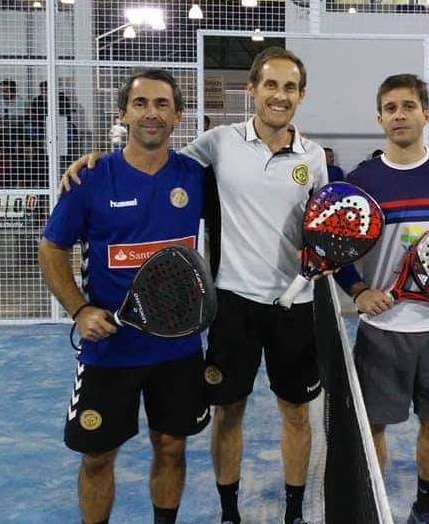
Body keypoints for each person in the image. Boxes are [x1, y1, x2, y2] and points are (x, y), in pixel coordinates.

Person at [61, 47, 327, 524]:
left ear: (302, 95)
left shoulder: (313, 157)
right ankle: (229, 514)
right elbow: (152, 157)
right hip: (228, 307)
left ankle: (294, 513)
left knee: (286, 415)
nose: (279, 95)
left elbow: (324, 218)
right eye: (270, 84)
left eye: (290, 87)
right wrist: (98, 161)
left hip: (288, 308)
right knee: (225, 414)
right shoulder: (218, 143)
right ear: (252, 89)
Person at [39, 68, 211, 524]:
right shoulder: (92, 179)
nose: (151, 113)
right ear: (123, 114)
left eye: (162, 104)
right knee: (97, 458)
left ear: (178, 117)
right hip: (110, 349)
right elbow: (51, 248)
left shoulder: (196, 177)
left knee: (172, 448)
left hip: (178, 347)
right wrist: (79, 310)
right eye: (141, 103)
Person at [335, 74, 429, 524]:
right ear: (379, 118)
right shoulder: (361, 180)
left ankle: (426, 509)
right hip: (382, 331)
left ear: (426, 114)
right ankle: (374, 508)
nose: (400, 115)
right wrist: (359, 291)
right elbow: (338, 253)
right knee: (372, 426)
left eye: (409, 106)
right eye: (390, 108)